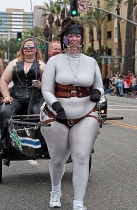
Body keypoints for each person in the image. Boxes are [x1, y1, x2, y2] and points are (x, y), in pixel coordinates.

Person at [40, 17, 104, 210]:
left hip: (85, 114)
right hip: (55, 115)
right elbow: (46, 90)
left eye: (77, 35)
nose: (74, 39)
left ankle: (78, 202)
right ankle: (56, 190)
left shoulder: (91, 62)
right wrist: (56, 107)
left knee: (82, 156)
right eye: (70, 36)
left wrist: (96, 93)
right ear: (64, 39)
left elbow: (100, 87)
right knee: (58, 158)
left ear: (82, 38)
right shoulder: (54, 61)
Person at [0, 38, 45, 159]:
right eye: (26, 47)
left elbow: (49, 86)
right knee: (5, 112)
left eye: (31, 47)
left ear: (36, 49)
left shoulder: (42, 65)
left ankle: (42, 144)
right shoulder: (14, 63)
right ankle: (4, 145)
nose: (29, 49)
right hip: (17, 98)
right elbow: (4, 80)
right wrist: (6, 96)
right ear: (22, 49)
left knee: (40, 114)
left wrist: (41, 85)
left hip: (36, 98)